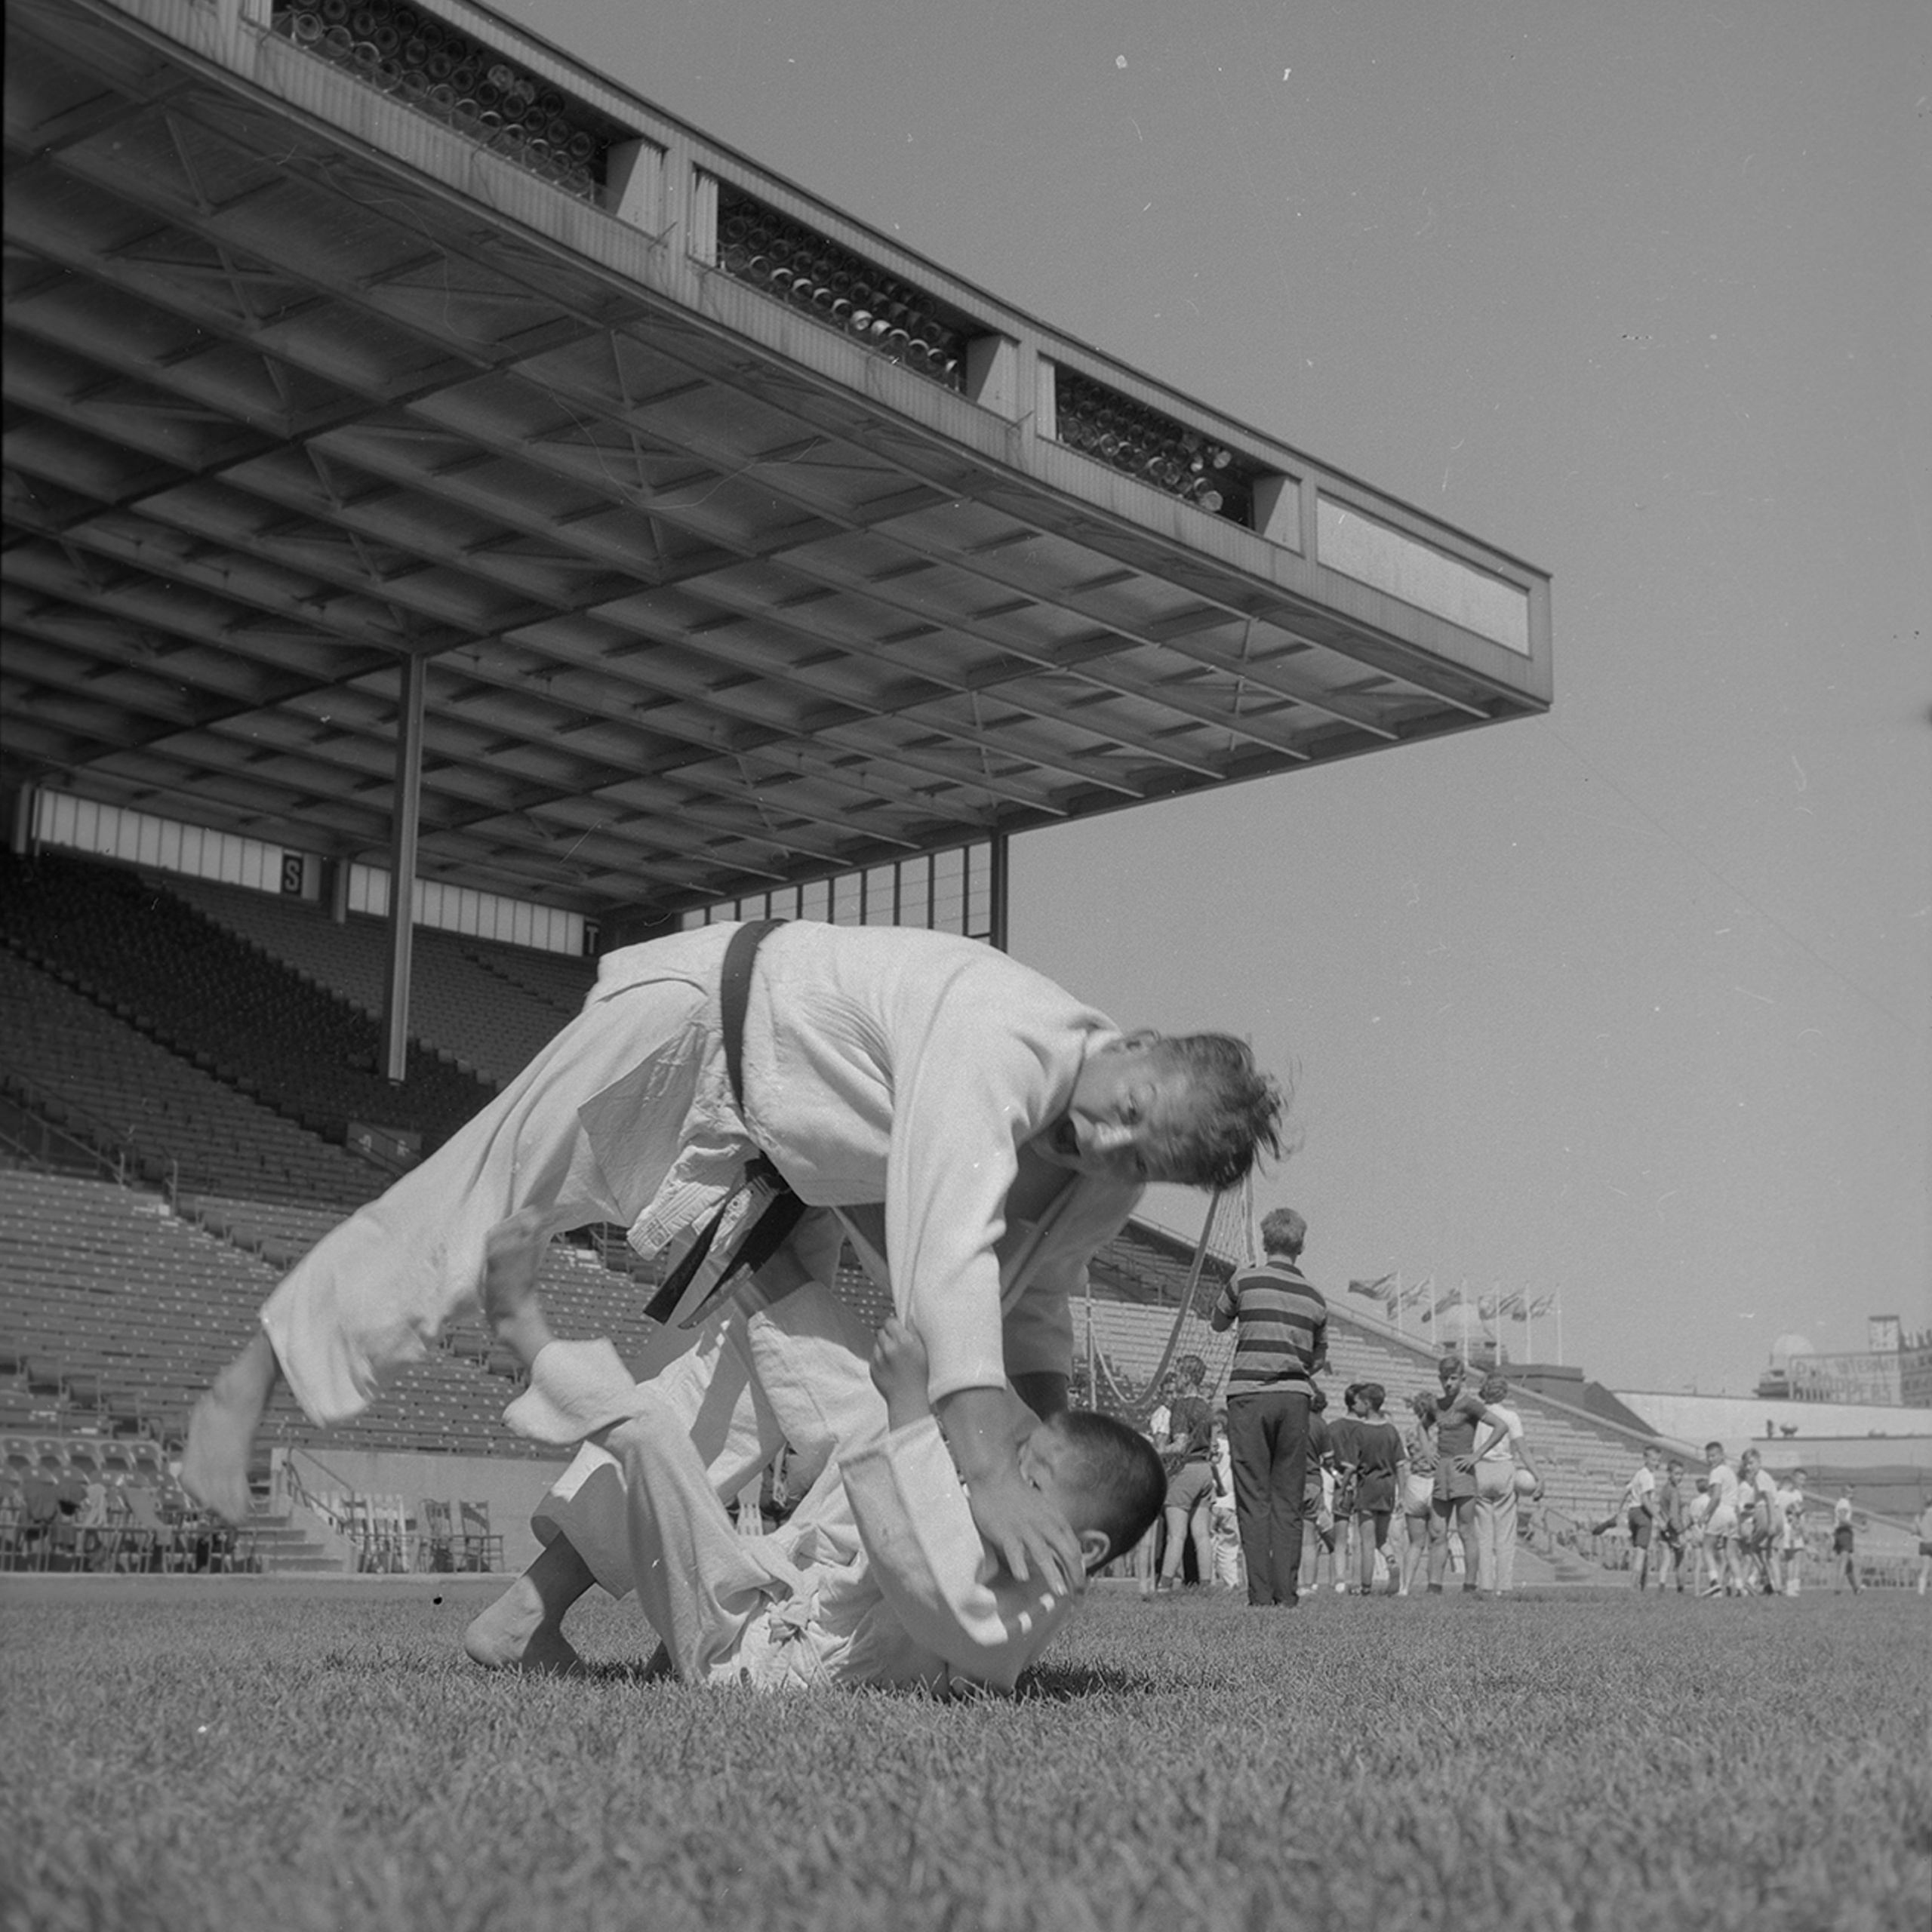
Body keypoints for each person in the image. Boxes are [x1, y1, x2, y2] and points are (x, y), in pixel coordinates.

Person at [182, 918, 1282, 1593]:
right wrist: (992, 1471)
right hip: (704, 1027)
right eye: (1124, 1110)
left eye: (1145, 1157)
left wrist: (1052, 1471)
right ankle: (255, 1372)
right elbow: (951, 1257)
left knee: (770, 1389)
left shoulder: (1108, 1176)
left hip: (799, 1163)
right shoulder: (999, 1032)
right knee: (476, 1202)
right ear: (1127, 1046)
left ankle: (543, 1601)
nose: (1108, 1146)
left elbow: (1030, 1308)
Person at [463, 1209, 1163, 1689]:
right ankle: (758, 1240)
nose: (1003, 1483)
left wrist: (915, 1417)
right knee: (796, 1345)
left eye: (1031, 1483)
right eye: (1017, 1463)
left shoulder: (1019, 1612)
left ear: (1090, 1550)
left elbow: (921, 1574)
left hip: (742, 1662)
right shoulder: (1025, 1552)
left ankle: (527, 1335)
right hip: (764, 1600)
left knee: (648, 1431)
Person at [1210, 1206, 1327, 1607]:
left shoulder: (1245, 1280)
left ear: (1264, 1240)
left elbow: (1218, 1323)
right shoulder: (1314, 1297)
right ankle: (1286, 1593)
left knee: (1253, 1497)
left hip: (1248, 1396)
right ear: (1302, 1245)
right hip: (1295, 1398)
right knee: (1287, 1498)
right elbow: (1317, 1358)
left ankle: (1260, 1595)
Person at [1425, 1357, 1512, 1595]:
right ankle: (1434, 1586)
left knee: (1466, 1529)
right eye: (1444, 1378)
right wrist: (1427, 1451)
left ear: (1462, 1379)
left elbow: (1501, 1426)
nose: (1448, 1383)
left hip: (1463, 1471)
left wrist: (1477, 1455)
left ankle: (1470, 1585)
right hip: (1442, 1471)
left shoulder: (1470, 1405)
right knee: (1437, 1530)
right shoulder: (1435, 1404)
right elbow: (1421, 1428)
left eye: (1453, 1378)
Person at [1469, 1371, 1543, 1595]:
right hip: (1504, 1471)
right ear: (1504, 1393)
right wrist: (1538, 1476)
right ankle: (1504, 1586)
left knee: (1483, 1534)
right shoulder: (1511, 1417)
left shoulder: (1476, 1415)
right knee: (1505, 1534)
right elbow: (1522, 1449)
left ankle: (1485, 1585)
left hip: (1480, 1470)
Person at [1155, 1355, 1215, 1593]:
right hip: (1204, 1470)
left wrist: (1158, 1451)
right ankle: (1206, 1587)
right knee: (1202, 1536)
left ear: (1187, 1378)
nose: (1176, 1378)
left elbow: (1180, 1444)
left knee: (1176, 1536)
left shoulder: (1182, 1405)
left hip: (1185, 1469)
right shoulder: (1206, 1406)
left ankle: (1164, 1586)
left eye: (1179, 1374)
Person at [1343, 1383, 1406, 1597]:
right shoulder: (1391, 1430)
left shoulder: (1360, 1431)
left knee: (1366, 1542)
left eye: (1359, 1401)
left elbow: (1351, 1467)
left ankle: (1365, 1587)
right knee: (1381, 1539)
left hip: (1367, 1487)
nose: (1356, 1404)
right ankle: (1392, 1562)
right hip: (1387, 1488)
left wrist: (1343, 1487)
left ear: (1367, 1403)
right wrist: (1402, 1495)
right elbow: (1400, 1465)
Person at [1592, 1445, 1662, 1590]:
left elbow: (1625, 1492)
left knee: (1640, 1549)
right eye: (1654, 1460)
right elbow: (1645, 1500)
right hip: (1643, 1514)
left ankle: (1642, 1585)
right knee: (1641, 1552)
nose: (1657, 1463)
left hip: (1632, 1513)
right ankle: (1634, 1587)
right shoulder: (1648, 1476)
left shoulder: (1638, 1474)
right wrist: (1659, 1518)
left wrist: (1618, 1512)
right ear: (1646, 1459)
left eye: (1658, 1460)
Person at [1397, 1391, 1441, 1597]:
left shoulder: (1410, 1432)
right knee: (1437, 1541)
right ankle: (1433, 1585)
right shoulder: (1441, 1432)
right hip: (1435, 1482)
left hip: (1415, 1483)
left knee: (1415, 1543)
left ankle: (1405, 1587)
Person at [1700, 1442, 1743, 1598]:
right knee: (1731, 1554)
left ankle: (1714, 1584)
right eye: (1709, 1456)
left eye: (1714, 1456)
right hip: (1733, 1514)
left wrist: (1705, 1514)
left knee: (1707, 1548)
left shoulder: (1716, 1472)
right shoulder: (1730, 1472)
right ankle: (1740, 1588)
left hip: (1721, 1512)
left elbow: (1716, 1496)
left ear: (1721, 1455)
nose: (1711, 1459)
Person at [1208, 1409, 1244, 1590]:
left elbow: (1212, 1465)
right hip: (1231, 1502)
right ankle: (1232, 1581)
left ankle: (1209, 1580)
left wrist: (1219, 1485)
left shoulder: (1214, 1448)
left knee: (1210, 1543)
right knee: (1229, 1545)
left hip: (1214, 1500)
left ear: (1218, 1426)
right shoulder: (1236, 1447)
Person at [1654, 1457, 1688, 1592]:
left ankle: (1662, 1585)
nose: (1680, 1477)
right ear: (1669, 1474)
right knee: (1681, 1559)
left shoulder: (1664, 1490)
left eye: (1681, 1474)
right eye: (1677, 1474)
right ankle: (1680, 1588)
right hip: (1673, 1529)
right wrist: (1680, 1532)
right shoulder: (1674, 1492)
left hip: (1663, 1528)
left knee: (1666, 1559)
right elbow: (1674, 1515)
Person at [1771, 1466, 1807, 1596]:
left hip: (1792, 1528)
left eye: (1804, 1480)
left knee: (1795, 1556)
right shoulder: (1791, 1494)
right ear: (1793, 1479)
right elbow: (1797, 1512)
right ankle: (1791, 1585)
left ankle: (1793, 1585)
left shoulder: (1794, 1494)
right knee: (1791, 1557)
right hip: (1791, 1529)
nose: (1802, 1483)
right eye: (1800, 1479)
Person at [1831, 1490, 1861, 1595]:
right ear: (1844, 1493)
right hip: (1844, 1533)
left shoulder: (1840, 1502)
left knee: (1849, 1565)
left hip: (1840, 1533)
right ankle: (1838, 1589)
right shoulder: (1845, 1503)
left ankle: (1856, 1588)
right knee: (1844, 1561)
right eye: (1849, 1492)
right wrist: (1859, 1527)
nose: (1852, 1495)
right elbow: (1842, 1519)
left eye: (1853, 1492)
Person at [1915, 1497, 1932, 1597]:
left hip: (1924, 1543)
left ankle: (1921, 1591)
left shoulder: (1919, 1516)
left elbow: (1916, 1531)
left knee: (1925, 1567)